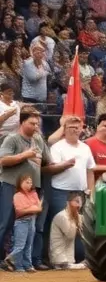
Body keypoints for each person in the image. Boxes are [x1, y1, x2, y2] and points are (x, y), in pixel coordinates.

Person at [0, 108, 49, 270]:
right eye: (32, 123)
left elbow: (47, 161)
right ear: (22, 122)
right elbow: (3, 160)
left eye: (37, 123)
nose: (35, 126)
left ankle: (23, 261)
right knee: (5, 223)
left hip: (32, 188)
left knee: (29, 227)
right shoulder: (12, 138)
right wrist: (25, 155)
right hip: (11, 185)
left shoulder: (38, 140)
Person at [47, 115, 96, 263]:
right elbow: (52, 167)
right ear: (65, 129)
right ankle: (57, 259)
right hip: (61, 191)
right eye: (71, 127)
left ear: (82, 129)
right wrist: (65, 165)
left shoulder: (85, 147)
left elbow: (90, 170)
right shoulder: (57, 147)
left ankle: (77, 258)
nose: (74, 130)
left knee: (80, 227)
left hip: (80, 192)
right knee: (62, 227)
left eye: (77, 127)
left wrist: (90, 190)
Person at [3, 173, 41, 273]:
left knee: (29, 245)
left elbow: (39, 208)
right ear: (20, 183)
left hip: (31, 220)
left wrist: (29, 208)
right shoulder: (17, 195)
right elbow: (19, 210)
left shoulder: (34, 194)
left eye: (30, 182)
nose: (29, 184)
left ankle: (28, 265)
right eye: (26, 182)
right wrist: (32, 208)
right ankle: (15, 263)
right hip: (21, 221)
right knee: (20, 245)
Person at [47, 190, 86, 270]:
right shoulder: (62, 216)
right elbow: (70, 235)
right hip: (59, 259)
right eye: (77, 201)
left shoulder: (77, 216)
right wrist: (77, 224)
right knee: (85, 265)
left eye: (80, 202)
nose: (79, 205)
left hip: (69, 258)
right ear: (68, 202)